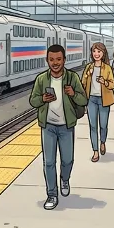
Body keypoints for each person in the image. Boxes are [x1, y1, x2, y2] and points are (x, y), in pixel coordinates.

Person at [29, 45, 87, 211]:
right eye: (52, 59)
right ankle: (52, 194)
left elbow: (83, 100)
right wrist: (43, 99)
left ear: (64, 60)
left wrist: (73, 94)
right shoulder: (41, 79)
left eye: (58, 59)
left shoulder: (72, 78)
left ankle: (65, 179)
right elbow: (33, 101)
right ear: (47, 60)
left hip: (66, 127)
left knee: (67, 160)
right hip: (48, 127)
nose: (55, 63)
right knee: (48, 162)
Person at [82, 42, 114, 162]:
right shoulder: (89, 67)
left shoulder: (107, 68)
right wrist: (87, 75)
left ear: (103, 53)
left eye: (99, 52)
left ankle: (102, 142)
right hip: (91, 99)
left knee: (103, 125)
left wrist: (104, 82)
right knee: (92, 126)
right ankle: (95, 151)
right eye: (94, 51)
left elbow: (112, 84)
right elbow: (83, 84)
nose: (96, 54)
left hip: (104, 100)